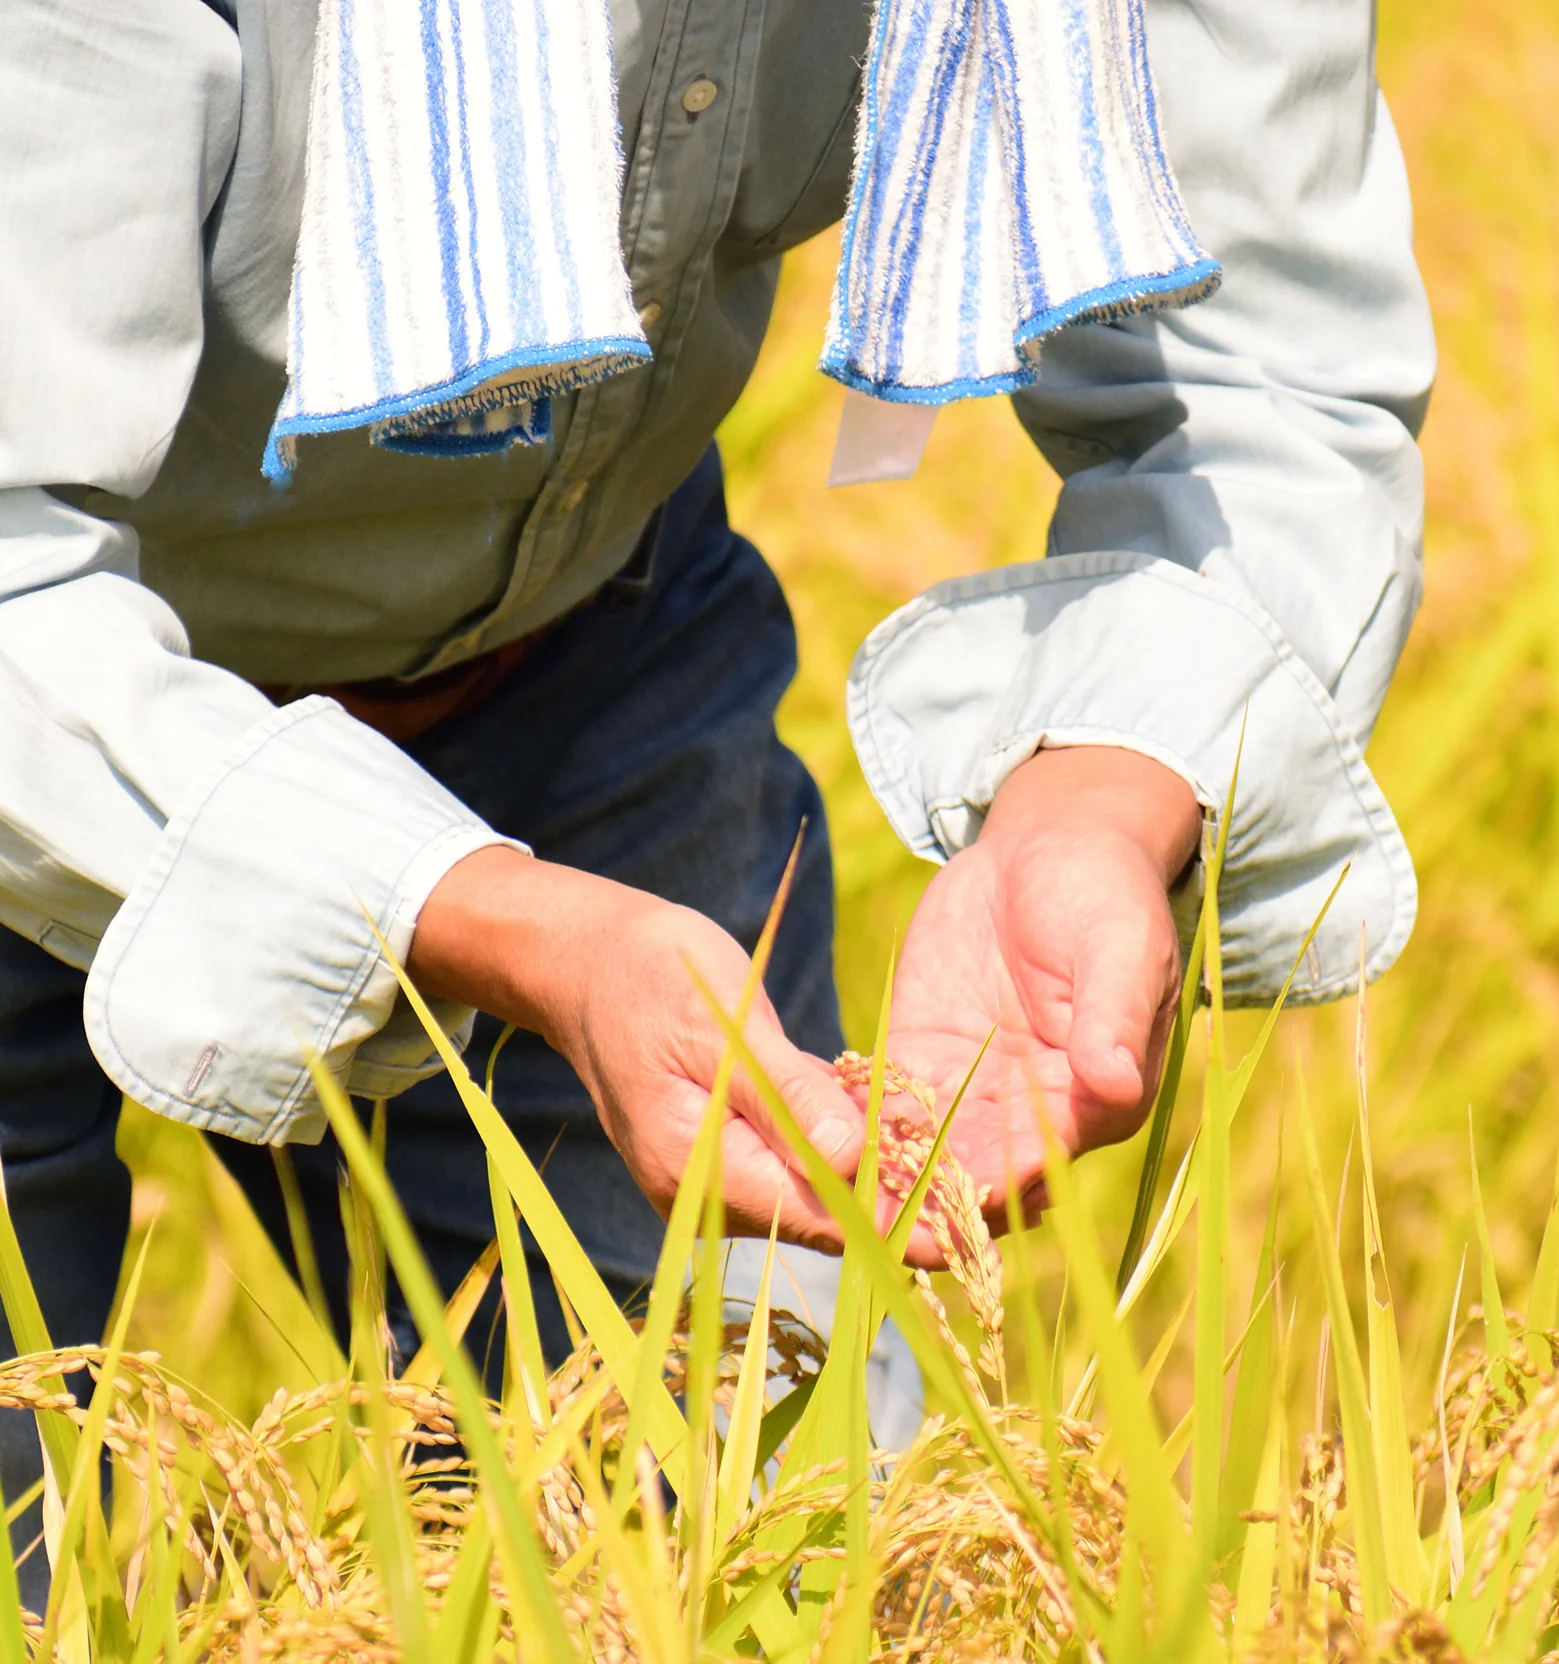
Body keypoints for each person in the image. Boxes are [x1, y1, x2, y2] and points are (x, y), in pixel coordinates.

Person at [0, 0, 1435, 1578]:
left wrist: (1099, 798)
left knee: (743, 1592)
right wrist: (507, 928)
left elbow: (1271, 378)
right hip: (48, 652)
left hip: (580, 666)